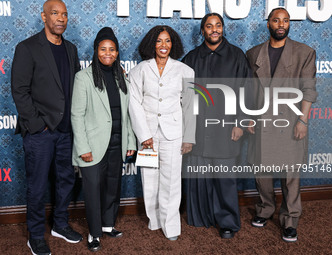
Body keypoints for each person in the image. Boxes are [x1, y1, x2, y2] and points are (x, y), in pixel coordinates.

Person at [11, 0, 82, 254]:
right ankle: (35, 235)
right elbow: (19, 90)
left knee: (65, 181)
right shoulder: (28, 48)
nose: (61, 18)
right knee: (38, 185)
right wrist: (37, 125)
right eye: (55, 13)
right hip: (40, 133)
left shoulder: (71, 49)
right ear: (43, 17)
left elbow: (76, 87)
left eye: (64, 14)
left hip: (66, 131)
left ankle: (60, 225)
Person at [246, 8, 317, 242]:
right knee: (262, 173)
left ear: (289, 24)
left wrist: (303, 120)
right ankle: (265, 210)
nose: (281, 24)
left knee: (290, 177)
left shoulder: (304, 53)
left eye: (285, 20)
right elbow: (248, 92)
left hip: (290, 122)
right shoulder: (253, 53)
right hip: (262, 121)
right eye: (276, 20)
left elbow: (309, 90)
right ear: (268, 24)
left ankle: (290, 220)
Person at [182, 13, 251, 239]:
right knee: (199, 174)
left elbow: (246, 91)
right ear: (202, 31)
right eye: (209, 26)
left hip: (226, 127)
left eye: (218, 26)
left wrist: (240, 123)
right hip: (199, 128)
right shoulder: (191, 58)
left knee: (224, 178)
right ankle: (200, 217)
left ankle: (227, 222)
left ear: (223, 29)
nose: (214, 30)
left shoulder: (237, 56)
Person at [71, 27, 136, 252]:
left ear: (117, 53)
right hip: (93, 145)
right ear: (96, 51)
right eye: (103, 49)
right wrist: (82, 147)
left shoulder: (122, 78)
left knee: (112, 187)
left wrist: (130, 142)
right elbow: (76, 115)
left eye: (112, 49)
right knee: (92, 190)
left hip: (117, 143)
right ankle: (94, 233)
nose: (107, 53)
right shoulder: (83, 78)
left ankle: (108, 225)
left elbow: (127, 113)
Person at [128, 25, 195, 241]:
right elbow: (134, 103)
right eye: (158, 41)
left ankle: (171, 225)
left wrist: (188, 137)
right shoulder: (139, 70)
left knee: (172, 180)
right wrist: (143, 134)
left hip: (173, 133)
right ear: (151, 44)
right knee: (149, 178)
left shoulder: (185, 71)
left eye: (167, 41)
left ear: (173, 44)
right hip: (147, 134)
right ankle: (154, 220)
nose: (163, 45)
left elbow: (190, 106)